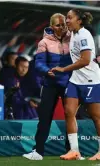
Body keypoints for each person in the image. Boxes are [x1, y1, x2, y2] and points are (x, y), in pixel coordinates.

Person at [51, 9, 100, 160]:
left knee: (96, 116)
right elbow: (56, 31)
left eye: (70, 18)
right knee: (69, 111)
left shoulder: (84, 35)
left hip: (91, 81)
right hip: (76, 80)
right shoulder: (73, 33)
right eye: (66, 18)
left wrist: (63, 69)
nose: (67, 21)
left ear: (79, 21)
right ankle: (74, 151)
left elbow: (85, 60)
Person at [23, 13, 72, 160]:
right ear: (51, 26)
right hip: (50, 84)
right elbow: (38, 63)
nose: (61, 27)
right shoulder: (43, 42)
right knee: (44, 119)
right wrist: (46, 71)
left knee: (71, 118)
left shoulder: (73, 38)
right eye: (58, 25)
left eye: (63, 24)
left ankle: (71, 150)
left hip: (68, 84)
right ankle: (38, 151)